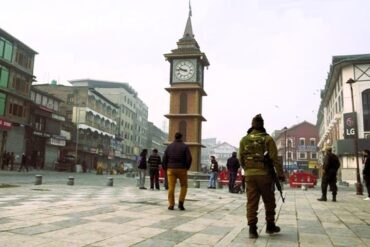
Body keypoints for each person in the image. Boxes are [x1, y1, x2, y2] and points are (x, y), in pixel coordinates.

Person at [239, 114, 284, 239]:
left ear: (252, 125)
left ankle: (252, 230)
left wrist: (247, 169)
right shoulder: (267, 139)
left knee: (252, 202)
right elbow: (275, 159)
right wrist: (280, 174)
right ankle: (270, 226)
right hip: (265, 175)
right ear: (262, 125)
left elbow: (240, 158)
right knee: (269, 200)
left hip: (250, 176)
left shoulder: (244, 139)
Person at [162, 132, 192, 210]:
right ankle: (181, 202)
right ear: (181, 137)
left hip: (171, 169)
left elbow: (164, 158)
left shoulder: (169, 146)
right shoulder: (185, 147)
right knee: (184, 186)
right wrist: (187, 167)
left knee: (171, 187)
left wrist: (165, 167)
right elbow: (189, 158)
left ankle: (171, 204)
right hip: (182, 169)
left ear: (174, 137)